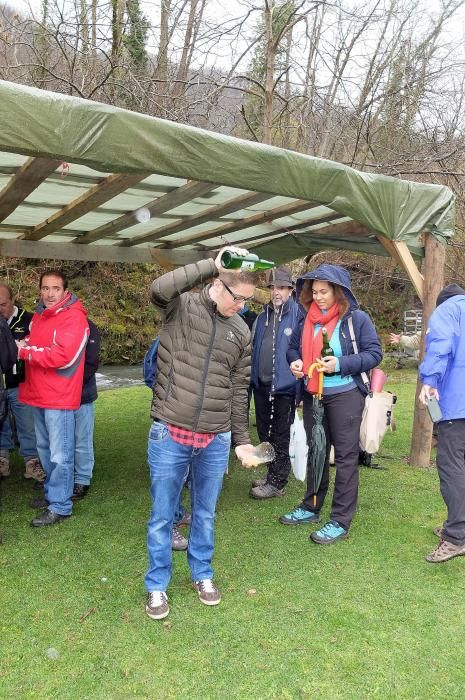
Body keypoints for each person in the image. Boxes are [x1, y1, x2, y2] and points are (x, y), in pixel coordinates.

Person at [145, 247, 257, 620]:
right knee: (163, 516)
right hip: (170, 431)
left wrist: (241, 441)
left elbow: (239, 389)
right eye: (237, 297)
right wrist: (214, 262)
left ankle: (202, 575)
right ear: (217, 285)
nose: (242, 306)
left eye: (247, 300)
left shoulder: (241, 330)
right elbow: (158, 289)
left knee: (205, 515)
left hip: (216, 438)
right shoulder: (181, 307)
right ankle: (157, 586)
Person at [280, 263, 382, 544]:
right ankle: (311, 506)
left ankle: (339, 520)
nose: (318, 297)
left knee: (347, 457)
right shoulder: (307, 320)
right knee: (317, 451)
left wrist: (340, 363)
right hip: (315, 395)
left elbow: (374, 354)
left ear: (338, 291)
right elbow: (292, 349)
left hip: (346, 394)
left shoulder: (356, 319)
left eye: (324, 291)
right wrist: (295, 362)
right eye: (314, 292)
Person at [17, 271, 89, 527]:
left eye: (55, 288)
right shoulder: (39, 315)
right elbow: (36, 342)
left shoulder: (74, 317)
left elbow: (63, 357)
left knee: (60, 454)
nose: (49, 293)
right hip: (39, 393)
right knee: (45, 450)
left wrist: (24, 351)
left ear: (65, 291)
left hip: (59, 396)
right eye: (45, 288)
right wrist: (24, 343)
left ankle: (61, 505)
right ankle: (52, 493)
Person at [419, 283, 465, 563]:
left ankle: (456, 535)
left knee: (452, 468)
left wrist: (430, 380)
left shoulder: (446, 311)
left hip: (456, 405)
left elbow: (440, 345)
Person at [249, 266, 304, 499]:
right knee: (264, 431)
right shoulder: (262, 317)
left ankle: (277, 483)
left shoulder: (299, 315)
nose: (276, 292)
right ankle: (272, 473)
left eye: (281, 287)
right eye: (273, 287)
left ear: (291, 290)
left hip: (285, 387)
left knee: (280, 434)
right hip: (262, 385)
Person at [0, 283, 45, 482]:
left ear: (12, 300)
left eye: (2, 304)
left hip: (22, 385)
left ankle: (32, 463)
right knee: (2, 426)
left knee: (28, 425)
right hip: (0, 387)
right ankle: (2, 461)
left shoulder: (29, 320)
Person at [73, 319, 100, 500]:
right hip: (58, 396)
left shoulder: (88, 326)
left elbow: (91, 362)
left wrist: (70, 385)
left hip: (82, 394)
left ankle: (82, 480)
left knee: (82, 439)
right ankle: (64, 479)